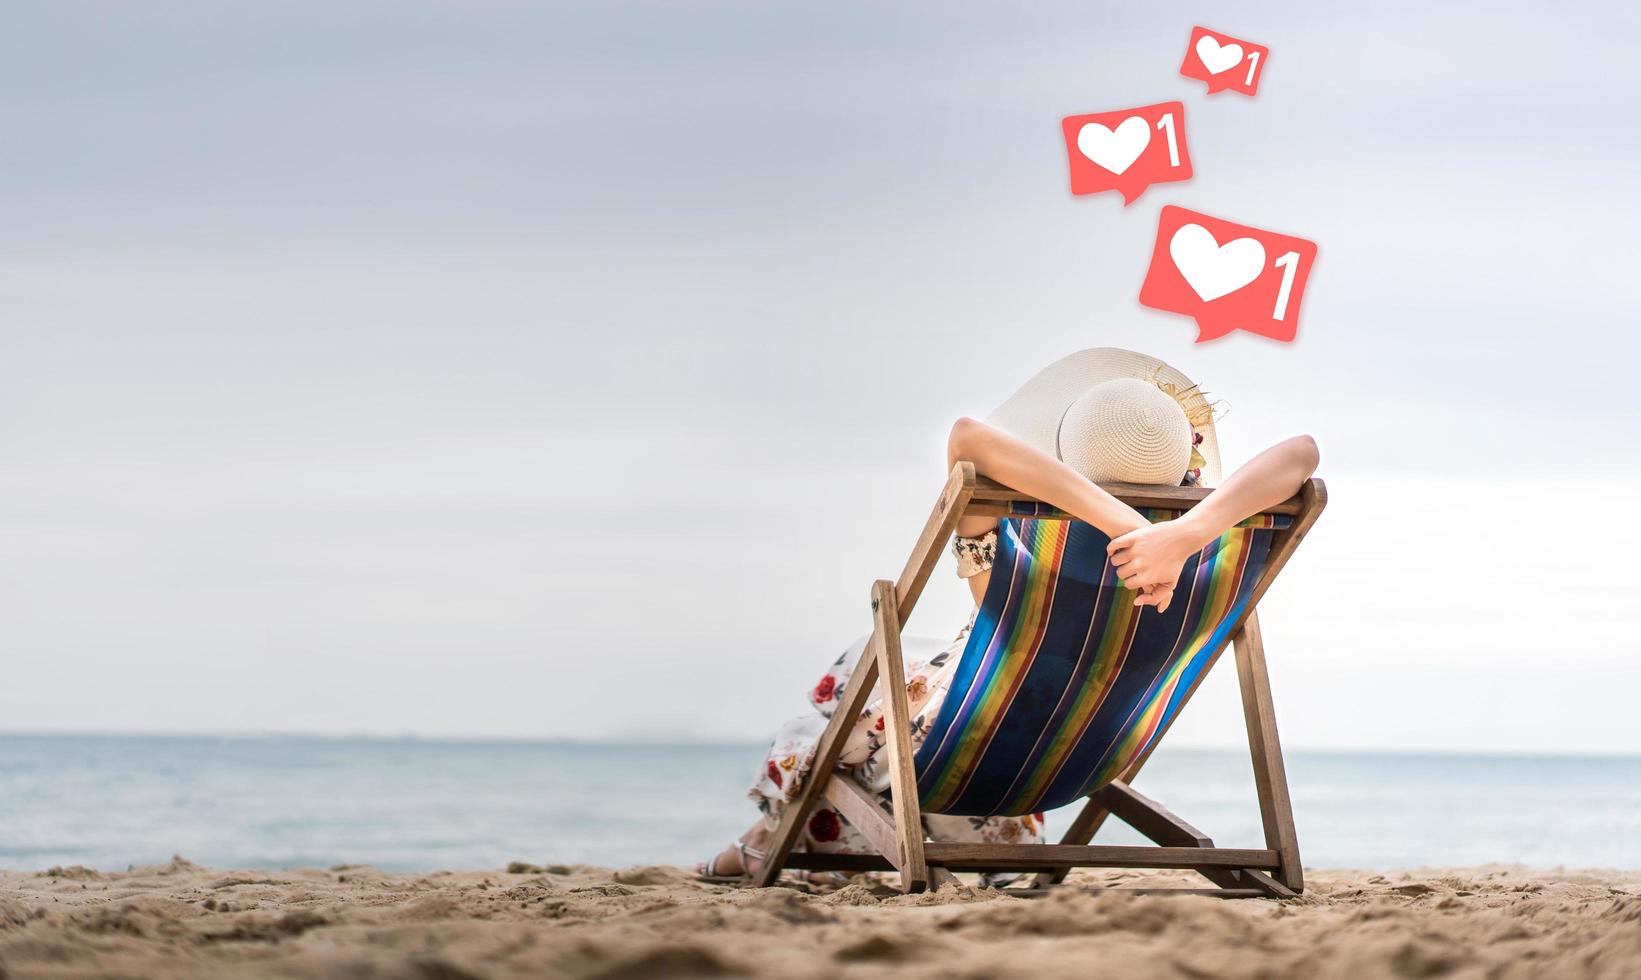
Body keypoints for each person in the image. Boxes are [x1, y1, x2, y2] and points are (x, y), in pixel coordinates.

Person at [697, 349, 1320, 884]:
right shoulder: (1209, 562)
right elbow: (1303, 454)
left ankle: (756, 843)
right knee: (891, 677)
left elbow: (968, 437)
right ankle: (761, 843)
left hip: (946, 757)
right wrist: (1179, 535)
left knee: (861, 663)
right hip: (1081, 763)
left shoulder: (1020, 553)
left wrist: (1123, 526)